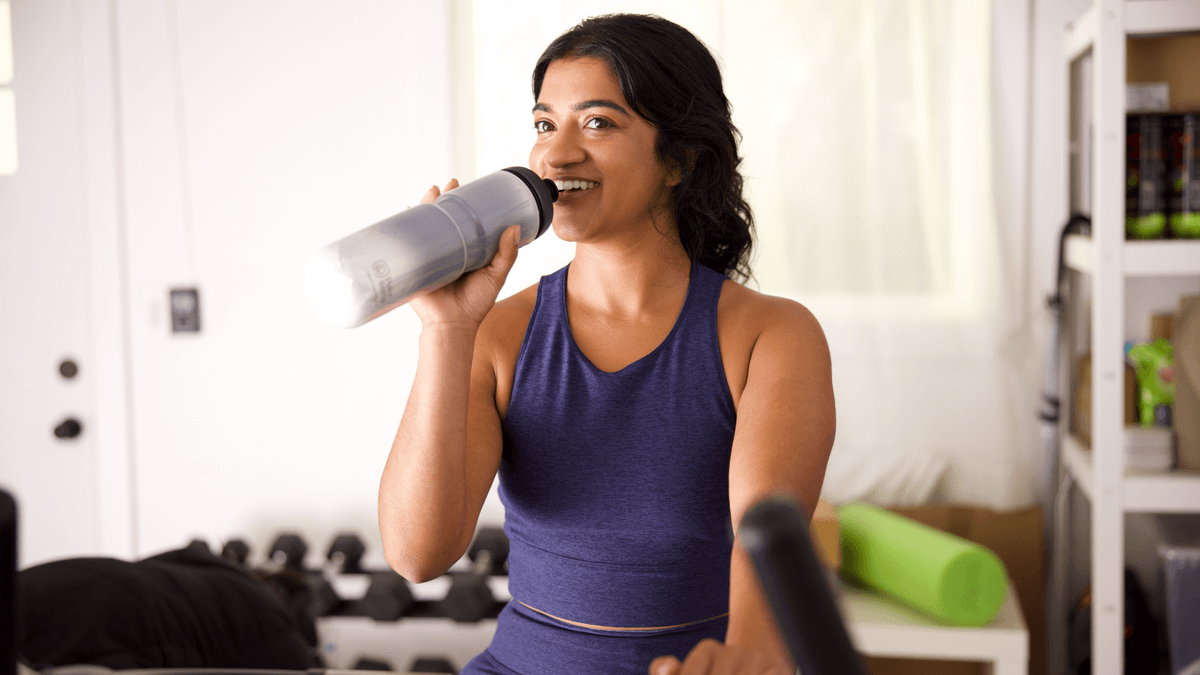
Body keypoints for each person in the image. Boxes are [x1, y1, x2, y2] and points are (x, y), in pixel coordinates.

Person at [378, 13, 835, 675]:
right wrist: (446, 330)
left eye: (597, 122)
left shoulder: (770, 335)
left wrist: (752, 655)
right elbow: (417, 554)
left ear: (678, 159)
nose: (556, 154)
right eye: (544, 123)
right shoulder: (498, 334)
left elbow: (765, 541)